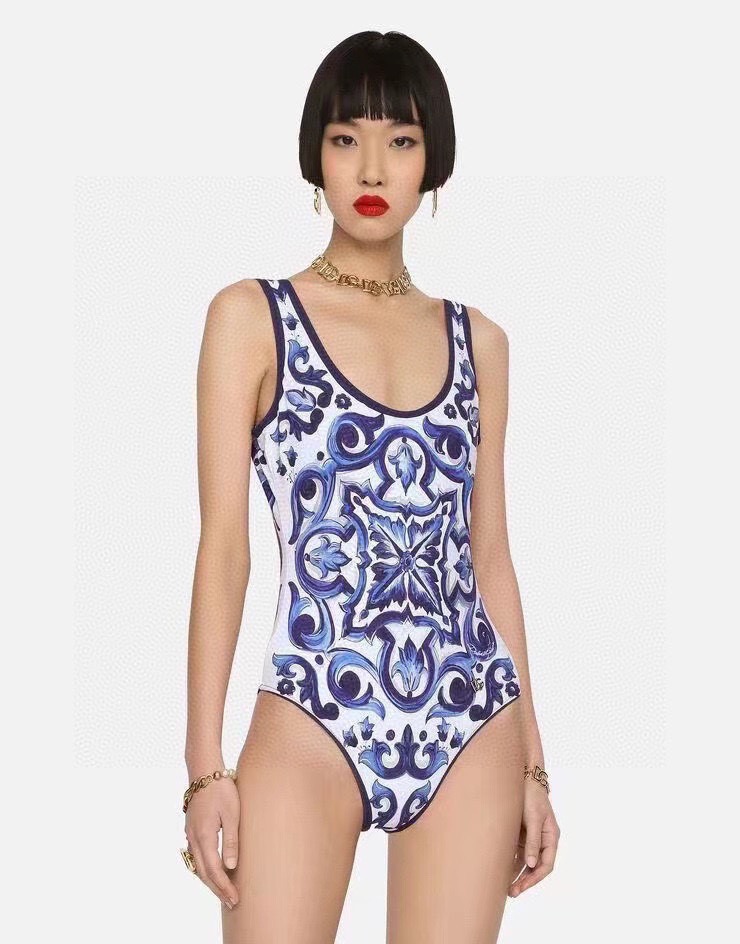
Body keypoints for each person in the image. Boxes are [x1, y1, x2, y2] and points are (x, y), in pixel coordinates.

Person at [182, 29, 559, 943]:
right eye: (347, 137)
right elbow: (224, 549)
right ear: (315, 152)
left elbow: (490, 558)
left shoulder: (481, 342)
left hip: (473, 724)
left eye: (402, 140)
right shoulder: (252, 318)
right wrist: (203, 767)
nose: (373, 167)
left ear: (435, 160)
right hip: (311, 716)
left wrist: (535, 766)